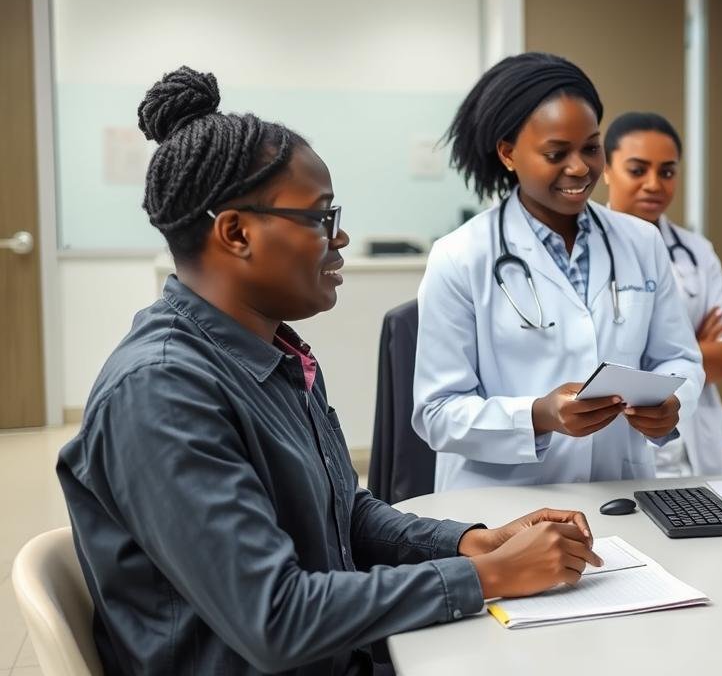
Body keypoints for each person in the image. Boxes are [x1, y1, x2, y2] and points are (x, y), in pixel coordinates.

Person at [57, 67, 602, 676]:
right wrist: (487, 576)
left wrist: (472, 542)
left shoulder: (269, 356)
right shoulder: (160, 392)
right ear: (236, 232)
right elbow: (276, 618)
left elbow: (342, 514)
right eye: (320, 218)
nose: (339, 238)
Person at [413, 53, 704, 490]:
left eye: (591, 147)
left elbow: (679, 358)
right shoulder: (460, 256)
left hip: (617, 491)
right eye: (556, 153)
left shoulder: (642, 242)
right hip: (504, 504)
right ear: (508, 154)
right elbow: (437, 413)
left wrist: (671, 402)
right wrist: (538, 416)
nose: (580, 167)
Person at [601, 111, 722, 476]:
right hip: (620, 445)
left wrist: (650, 363)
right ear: (606, 170)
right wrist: (689, 349)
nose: (654, 184)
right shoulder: (588, 250)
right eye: (637, 170)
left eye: (667, 172)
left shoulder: (697, 251)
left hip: (695, 448)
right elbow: (591, 368)